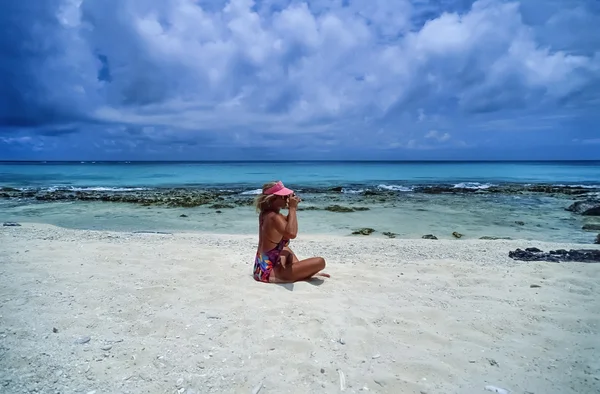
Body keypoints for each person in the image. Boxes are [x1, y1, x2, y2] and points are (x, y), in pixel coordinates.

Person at [252, 180, 330, 283]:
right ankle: (303, 274)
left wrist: (293, 208)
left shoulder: (266, 214)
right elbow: (291, 234)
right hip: (269, 273)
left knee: (285, 249)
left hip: (260, 269)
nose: (287, 198)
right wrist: (292, 209)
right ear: (273, 199)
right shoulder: (274, 217)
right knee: (320, 262)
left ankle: (302, 272)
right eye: (284, 196)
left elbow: (287, 225)